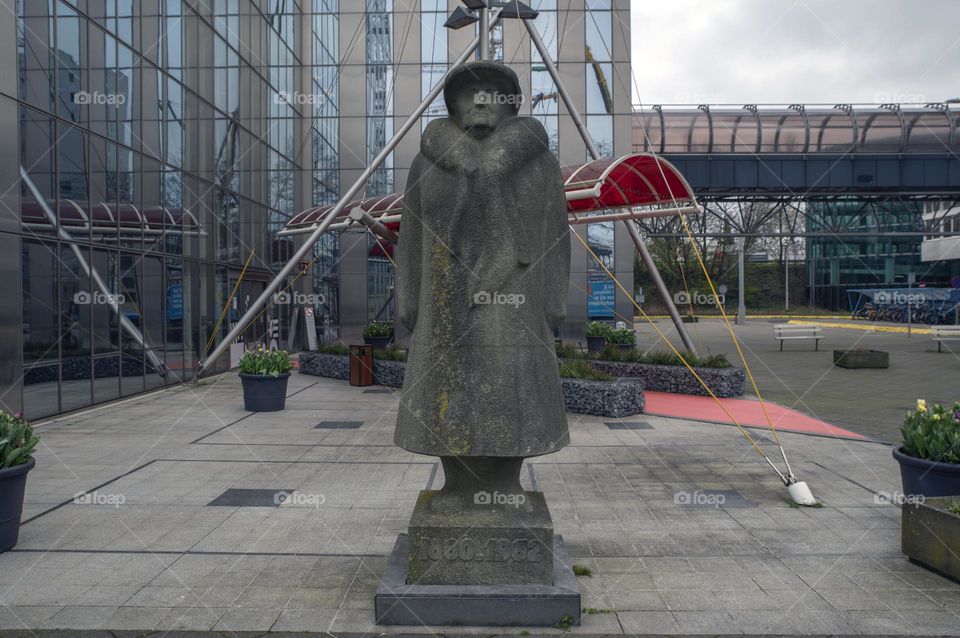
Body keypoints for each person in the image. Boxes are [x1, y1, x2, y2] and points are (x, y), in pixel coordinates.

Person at [393, 61, 570, 508]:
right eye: (470, 94)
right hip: (444, 300)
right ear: (453, 105)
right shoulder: (427, 163)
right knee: (448, 393)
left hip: (516, 303)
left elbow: (556, 235)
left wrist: (553, 298)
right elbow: (410, 234)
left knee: (510, 390)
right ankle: (456, 484)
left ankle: (506, 483)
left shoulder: (540, 164)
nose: (481, 100)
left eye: (493, 92)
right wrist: (408, 294)